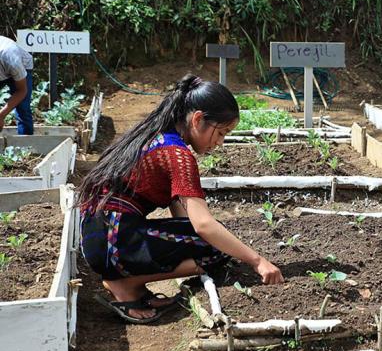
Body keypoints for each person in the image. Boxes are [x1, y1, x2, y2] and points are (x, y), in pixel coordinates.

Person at [77, 75, 283, 324]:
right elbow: (203, 225)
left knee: (207, 241)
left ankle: (131, 281)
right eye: (221, 133)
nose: (220, 142)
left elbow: (182, 211)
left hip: (98, 237)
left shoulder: (156, 135)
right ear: (197, 119)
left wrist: (189, 239)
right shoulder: (177, 154)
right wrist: (257, 261)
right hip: (114, 241)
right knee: (215, 249)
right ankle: (126, 285)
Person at [0, 35, 34, 134]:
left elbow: (22, 90)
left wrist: (1, 115)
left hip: (23, 66)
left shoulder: (12, 60)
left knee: (22, 108)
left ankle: (25, 142)